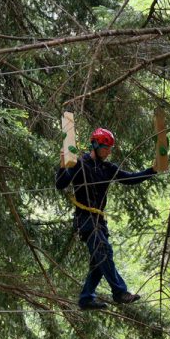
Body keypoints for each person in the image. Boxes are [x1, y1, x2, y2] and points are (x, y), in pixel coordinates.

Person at [55, 127, 156, 310]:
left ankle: (86, 299)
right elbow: (60, 184)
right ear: (95, 145)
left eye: (109, 149)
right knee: (104, 251)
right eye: (105, 148)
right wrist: (63, 165)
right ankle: (119, 292)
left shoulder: (108, 168)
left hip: (99, 221)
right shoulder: (78, 162)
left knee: (98, 262)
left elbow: (130, 178)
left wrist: (152, 170)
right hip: (85, 219)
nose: (108, 152)